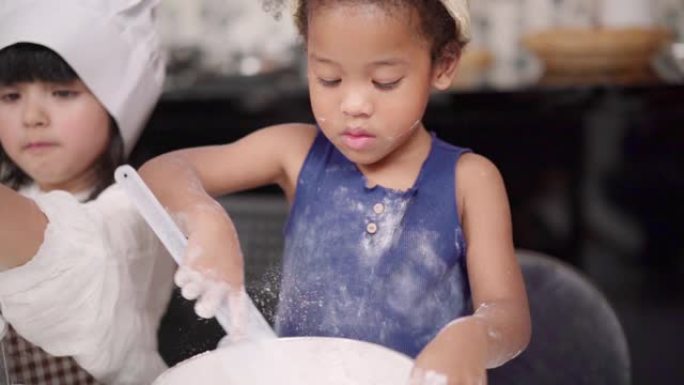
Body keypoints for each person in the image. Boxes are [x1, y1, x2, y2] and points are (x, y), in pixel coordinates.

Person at [140, 0, 531, 383]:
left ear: (443, 65)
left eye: (385, 82)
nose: (354, 104)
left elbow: (509, 317)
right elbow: (162, 172)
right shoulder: (293, 152)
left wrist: (473, 336)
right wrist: (205, 220)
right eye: (328, 78)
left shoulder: (470, 181)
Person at [0, 1, 174, 384]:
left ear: (117, 107)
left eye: (62, 93)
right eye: (11, 97)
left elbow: (64, 253)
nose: (32, 117)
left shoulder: (134, 211)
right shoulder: (18, 191)